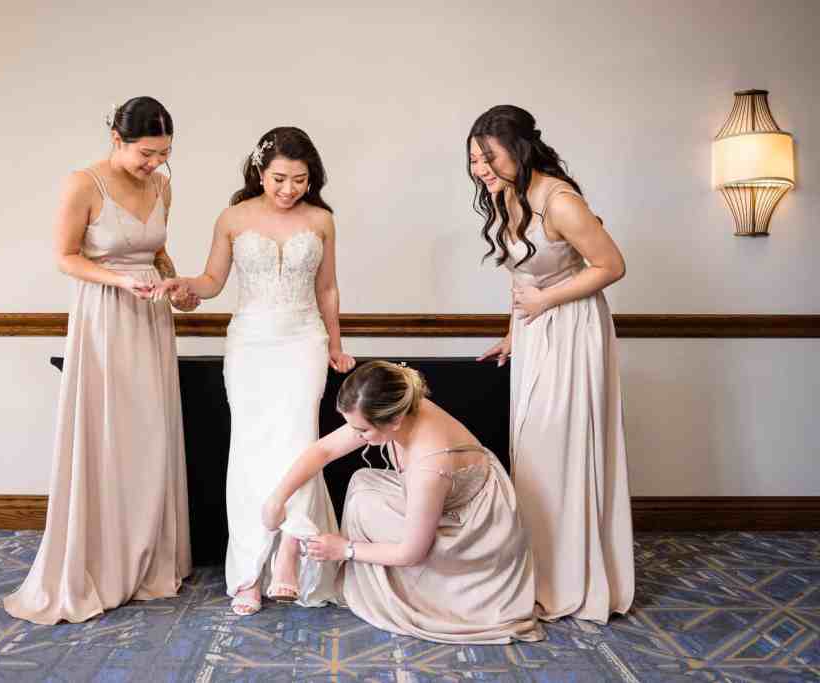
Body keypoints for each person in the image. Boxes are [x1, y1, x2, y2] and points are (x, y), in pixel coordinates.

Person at [4, 97, 198, 625]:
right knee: (110, 432)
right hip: (104, 316)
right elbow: (66, 257)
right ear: (116, 138)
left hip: (151, 316)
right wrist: (120, 281)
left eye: (164, 154)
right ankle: (103, 560)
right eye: (145, 153)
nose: (154, 163)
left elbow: (157, 251)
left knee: (150, 433)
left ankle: (150, 556)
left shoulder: (162, 185)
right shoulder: (82, 184)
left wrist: (177, 285)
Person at [154, 127, 355, 615]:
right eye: (280, 178)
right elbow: (213, 281)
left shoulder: (322, 219)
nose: (289, 190)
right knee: (249, 451)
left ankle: (291, 551)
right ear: (259, 172)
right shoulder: (233, 218)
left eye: (300, 180)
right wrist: (184, 286)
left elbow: (327, 289)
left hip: (303, 339)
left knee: (300, 441)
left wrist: (336, 344)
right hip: (250, 345)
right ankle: (248, 571)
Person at [471, 104, 634, 622]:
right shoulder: (508, 197)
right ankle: (539, 572)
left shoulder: (560, 201)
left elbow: (612, 265)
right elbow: (521, 278)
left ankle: (568, 581)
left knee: (559, 449)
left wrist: (547, 303)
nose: (481, 170)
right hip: (537, 330)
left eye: (489, 158)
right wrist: (512, 334)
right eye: (475, 160)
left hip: (571, 331)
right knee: (534, 453)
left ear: (518, 150)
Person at [263, 361, 544, 644]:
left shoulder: (430, 464)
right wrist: (277, 499)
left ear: (394, 421)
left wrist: (344, 549)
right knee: (362, 485)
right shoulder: (399, 405)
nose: (356, 435)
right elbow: (323, 451)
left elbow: (412, 553)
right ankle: (292, 546)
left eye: (362, 430)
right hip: (436, 499)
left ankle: (422, 594)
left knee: (366, 502)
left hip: (470, 532)